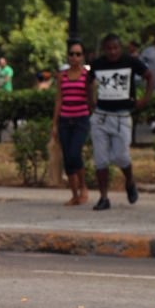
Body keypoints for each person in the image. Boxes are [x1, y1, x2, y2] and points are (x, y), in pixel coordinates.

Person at [87, 33, 154, 211]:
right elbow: (88, 81)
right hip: (101, 115)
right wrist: (91, 101)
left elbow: (149, 76)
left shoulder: (130, 62)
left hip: (122, 116)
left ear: (121, 48)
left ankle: (130, 181)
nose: (112, 52)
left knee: (120, 156)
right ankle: (103, 197)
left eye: (115, 48)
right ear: (104, 50)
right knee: (100, 159)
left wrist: (145, 99)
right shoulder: (97, 64)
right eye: (109, 48)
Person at [51, 39, 90, 206]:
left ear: (82, 57)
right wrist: (54, 123)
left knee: (75, 153)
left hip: (81, 119)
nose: (74, 57)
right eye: (72, 54)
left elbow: (91, 98)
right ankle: (74, 195)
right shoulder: (62, 76)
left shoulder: (87, 76)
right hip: (65, 120)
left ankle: (83, 187)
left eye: (78, 54)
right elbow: (59, 100)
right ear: (68, 56)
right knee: (68, 157)